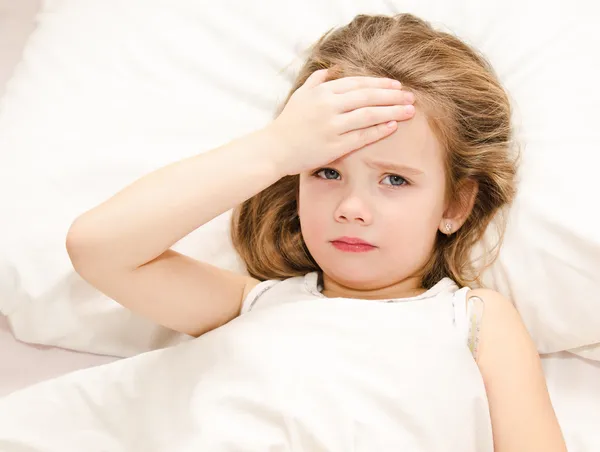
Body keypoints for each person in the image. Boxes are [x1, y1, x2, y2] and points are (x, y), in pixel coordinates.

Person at [66, 13, 567, 452]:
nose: (351, 208)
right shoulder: (253, 306)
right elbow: (99, 249)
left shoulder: (474, 323)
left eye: (394, 180)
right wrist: (275, 149)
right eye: (326, 172)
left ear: (455, 203)